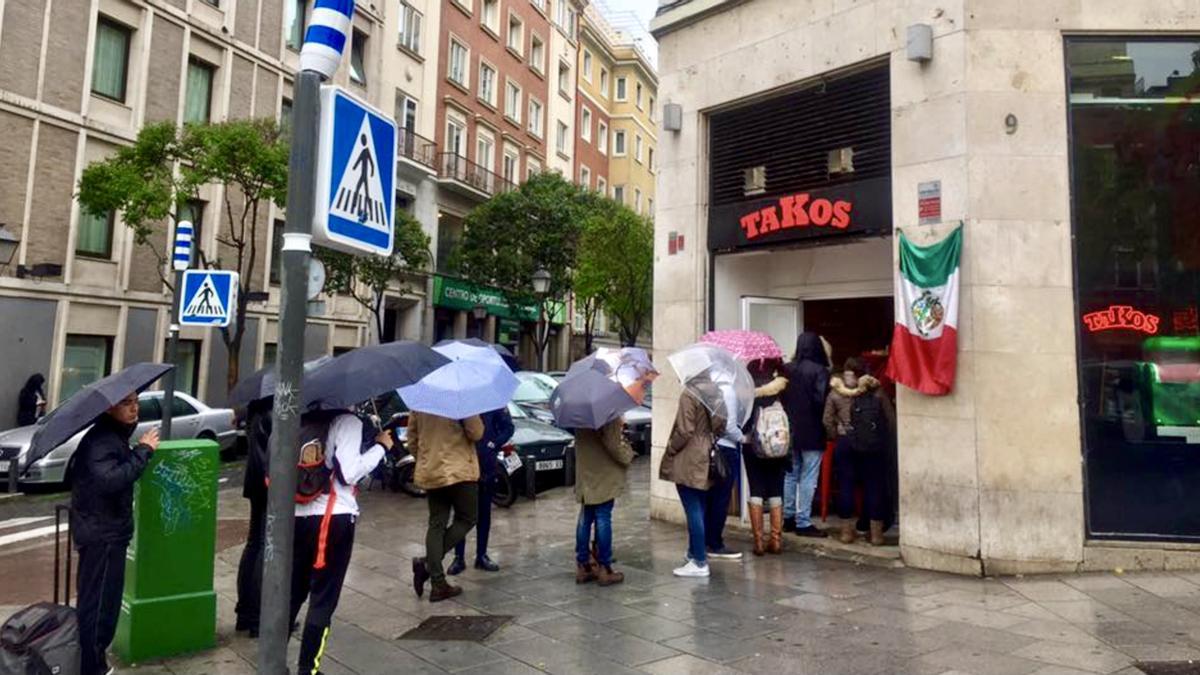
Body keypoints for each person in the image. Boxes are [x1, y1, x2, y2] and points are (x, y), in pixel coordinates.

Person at [289, 410, 388, 675]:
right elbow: (349, 473)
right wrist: (380, 447)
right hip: (334, 517)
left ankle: (274, 661)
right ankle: (308, 669)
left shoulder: (300, 418)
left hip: (297, 516)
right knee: (323, 598)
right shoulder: (346, 421)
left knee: (293, 593)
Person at [70, 392, 159, 675]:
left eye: (136, 402)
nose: (134, 408)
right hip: (103, 535)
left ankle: (92, 662)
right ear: (110, 408)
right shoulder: (102, 440)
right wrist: (143, 451)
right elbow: (110, 480)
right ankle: (93, 667)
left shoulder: (111, 436)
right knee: (100, 607)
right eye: (126, 403)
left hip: (103, 531)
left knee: (99, 602)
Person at [409, 412, 485, 602]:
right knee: (468, 518)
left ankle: (437, 582)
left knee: (436, 524)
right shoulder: (460, 398)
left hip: (432, 470)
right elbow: (476, 433)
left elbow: (412, 438)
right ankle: (427, 565)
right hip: (460, 471)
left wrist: (426, 459)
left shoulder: (420, 402)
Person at [823, 358, 896, 546]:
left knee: (846, 485)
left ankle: (847, 532)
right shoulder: (877, 392)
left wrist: (836, 436)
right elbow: (890, 421)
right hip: (871, 445)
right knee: (874, 487)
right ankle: (876, 534)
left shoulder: (836, 393)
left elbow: (827, 420)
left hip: (845, 441)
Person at [661, 387, 724, 578]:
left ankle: (699, 560)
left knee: (693, 508)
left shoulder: (690, 394)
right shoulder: (716, 393)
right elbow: (722, 425)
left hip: (689, 454)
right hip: (707, 451)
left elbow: (685, 430)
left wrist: (671, 449)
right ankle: (692, 552)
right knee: (700, 504)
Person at [449, 407, 515, 575]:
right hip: (462, 465)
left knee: (484, 513)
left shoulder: (492, 402)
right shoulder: (456, 403)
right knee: (460, 515)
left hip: (486, 465)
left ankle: (481, 555)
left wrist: (494, 443)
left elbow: (508, 427)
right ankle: (458, 557)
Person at [779, 332, 831, 538]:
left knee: (790, 475)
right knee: (809, 476)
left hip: (791, 429)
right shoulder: (820, 370)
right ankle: (803, 521)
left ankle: (788, 518)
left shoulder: (787, 369)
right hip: (813, 430)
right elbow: (820, 401)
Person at [573, 417, 635, 585]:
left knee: (585, 517)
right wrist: (628, 454)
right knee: (603, 516)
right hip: (603, 472)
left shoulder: (579, 411)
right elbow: (613, 445)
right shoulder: (608, 413)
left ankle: (583, 565)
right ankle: (605, 567)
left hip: (586, 470)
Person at [742, 360, 790, 556]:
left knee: (756, 488)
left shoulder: (748, 395)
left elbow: (742, 423)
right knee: (776, 489)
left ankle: (759, 542)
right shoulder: (781, 391)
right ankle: (776, 540)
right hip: (778, 447)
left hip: (752, 448)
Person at [234, 399, 272, 637]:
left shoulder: (255, 407)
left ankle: (246, 613)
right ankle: (259, 617)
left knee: (254, 544)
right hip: (270, 482)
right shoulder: (275, 409)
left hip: (256, 481)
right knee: (265, 547)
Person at [704, 376, 745, 561]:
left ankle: (704, 541)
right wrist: (743, 437)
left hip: (708, 448)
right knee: (721, 498)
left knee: (709, 497)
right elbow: (729, 426)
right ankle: (715, 543)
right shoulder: (728, 390)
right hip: (726, 449)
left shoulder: (705, 389)